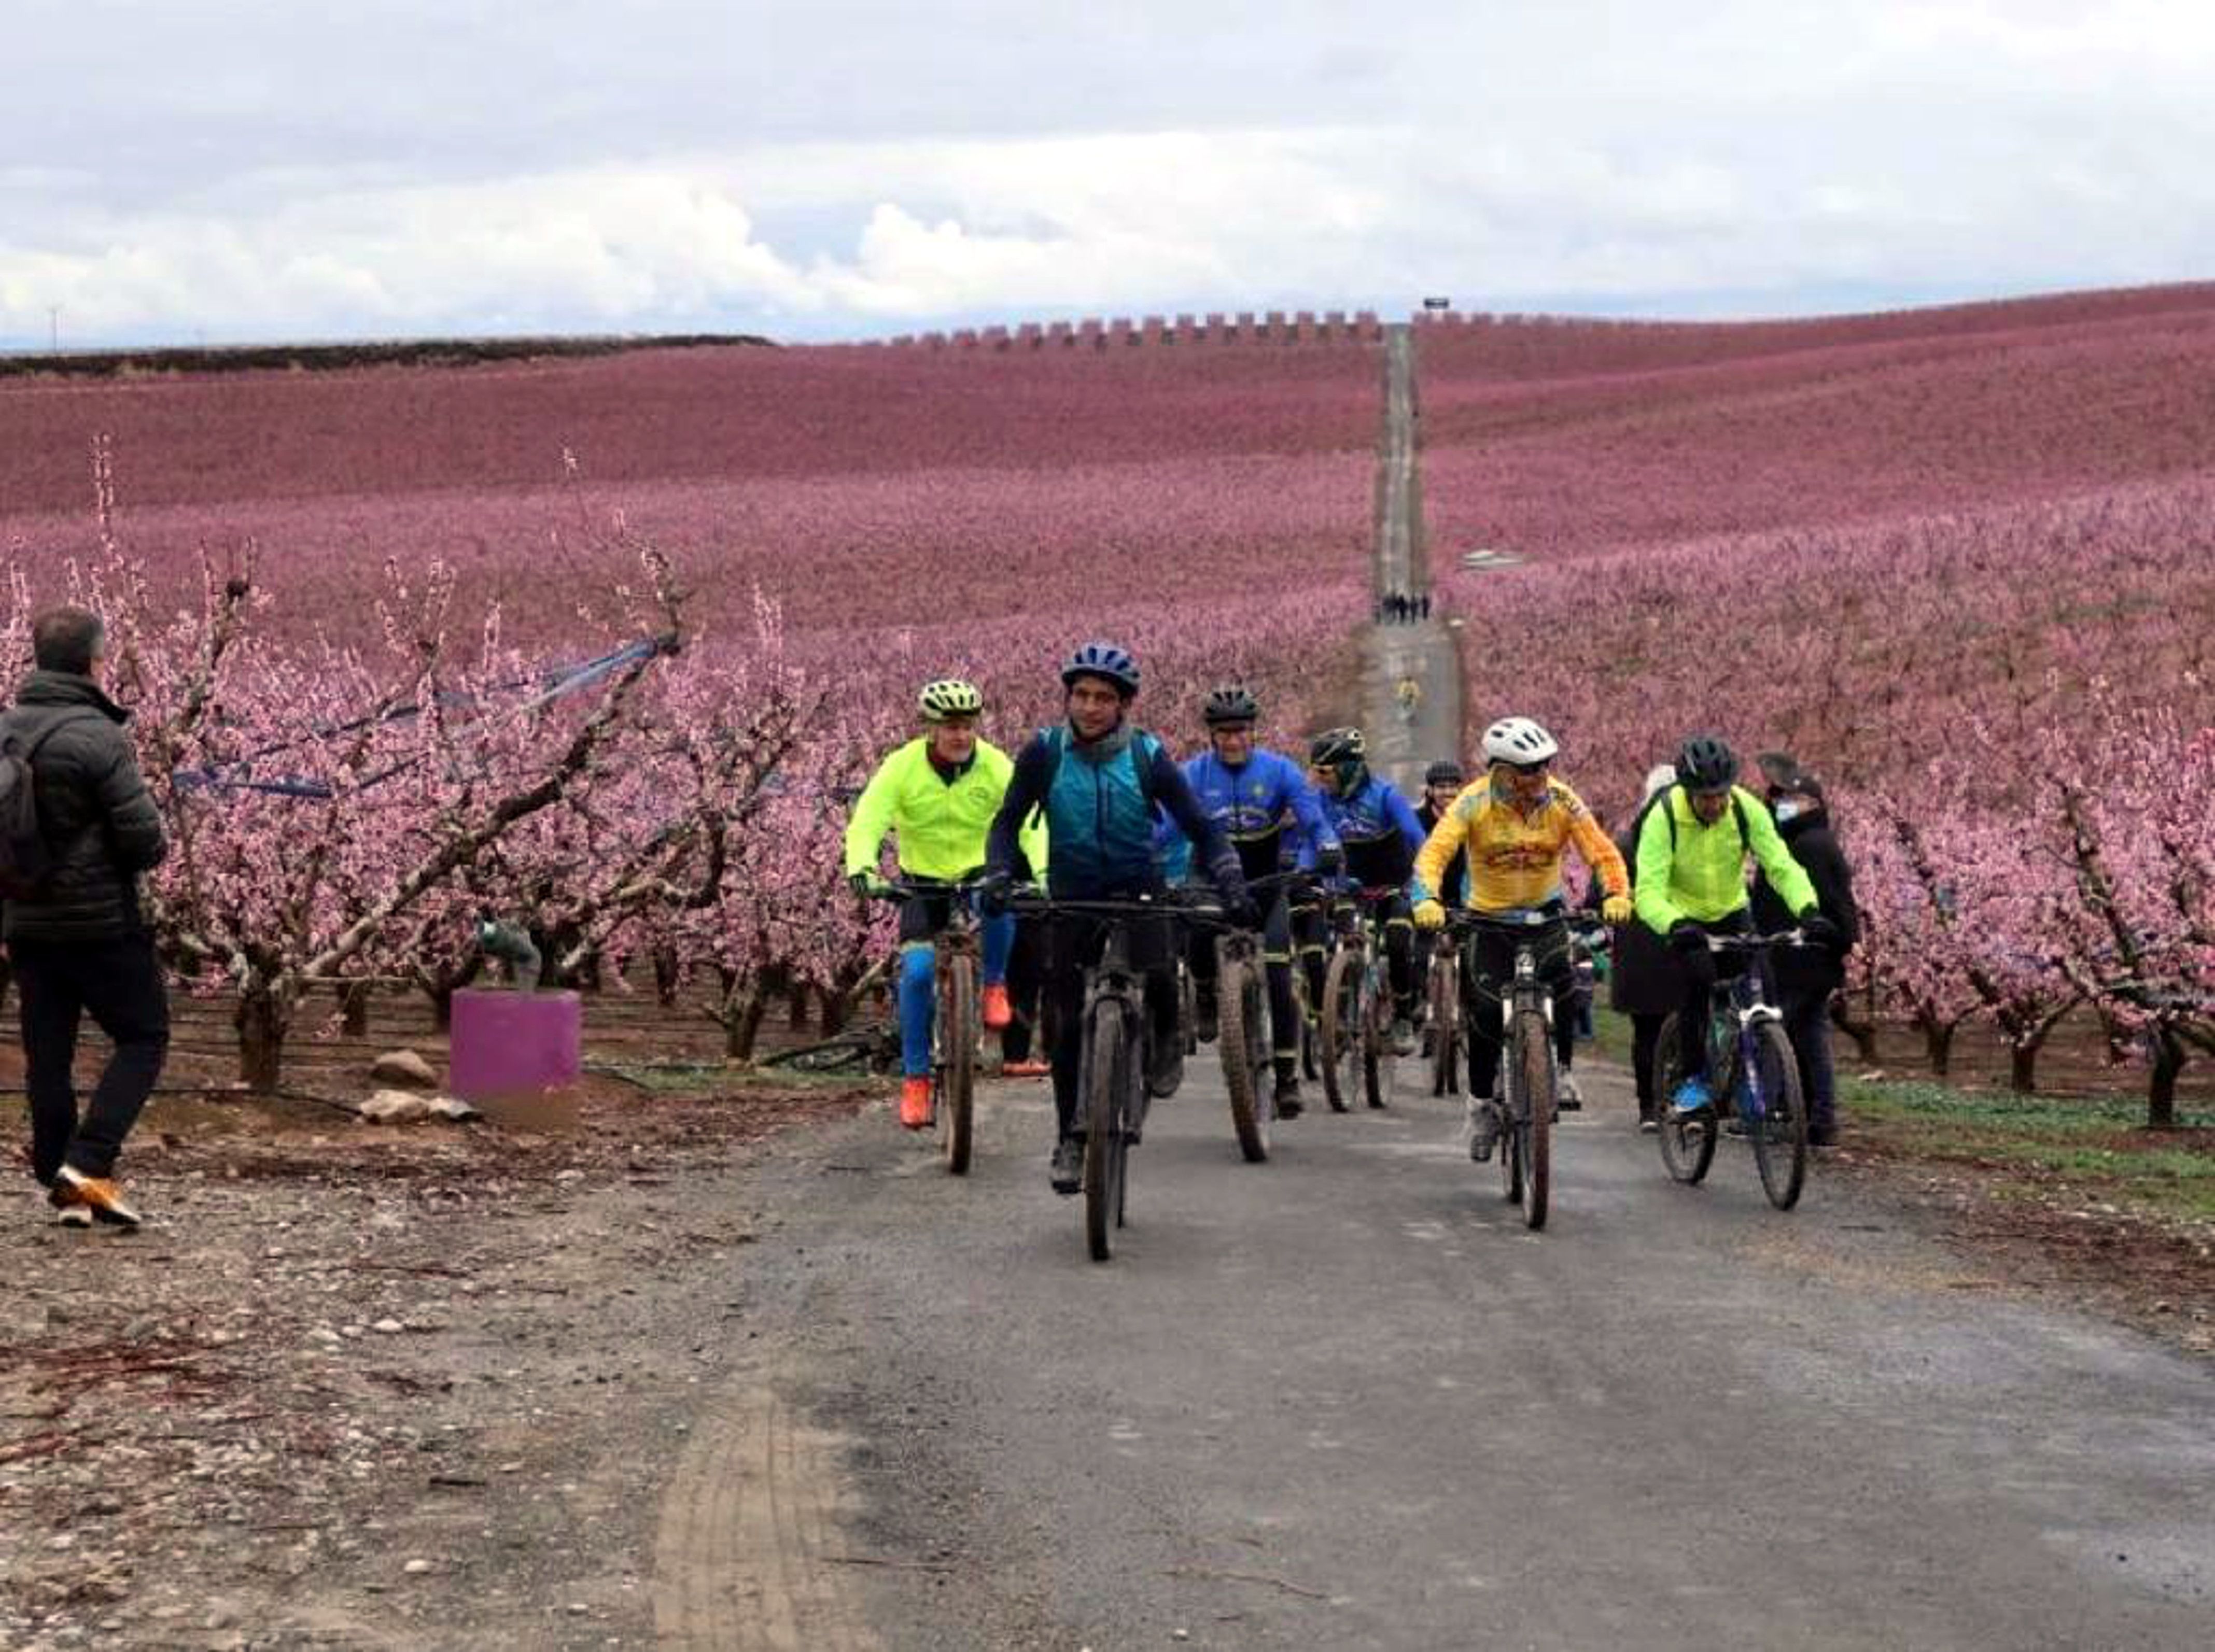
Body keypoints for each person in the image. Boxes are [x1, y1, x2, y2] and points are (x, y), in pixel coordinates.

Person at [984, 643, 1246, 1195]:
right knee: (1064, 1021)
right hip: (1072, 888)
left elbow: (1202, 826)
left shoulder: (1148, 755)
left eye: (1104, 697)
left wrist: (1229, 880)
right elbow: (1006, 824)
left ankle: (1167, 1034)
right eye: (1081, 695)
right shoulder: (1045, 752)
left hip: (1138, 883)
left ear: (1124, 704)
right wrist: (1001, 875)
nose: (1090, 706)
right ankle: (1070, 1141)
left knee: (1156, 966)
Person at [5, 606, 169, 1229]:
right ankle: (90, 1160)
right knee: (145, 1035)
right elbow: (144, 842)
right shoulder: (98, 736)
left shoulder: (5, 732)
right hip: (100, 924)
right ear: (94, 662)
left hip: (26, 922)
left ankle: (60, 1173)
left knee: (48, 1052)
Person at [1412, 717, 1628, 1160]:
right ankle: (1481, 1107)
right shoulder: (1472, 803)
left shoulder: (1563, 800)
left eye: (1545, 766)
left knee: (1565, 982)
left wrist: (1616, 892)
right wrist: (1427, 899)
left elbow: (1602, 851)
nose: (1541, 776)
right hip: (1489, 920)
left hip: (1544, 915)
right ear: (1503, 771)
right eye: (1531, 769)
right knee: (1487, 1012)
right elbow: (1433, 855)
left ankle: (1563, 1069)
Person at [843, 678, 1035, 1130]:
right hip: (922, 882)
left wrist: (1042, 872)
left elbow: (1030, 822)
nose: (960, 736)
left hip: (976, 872)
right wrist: (863, 867)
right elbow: (868, 819)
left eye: (967, 726)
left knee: (1001, 898)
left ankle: (993, 985)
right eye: (950, 726)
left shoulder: (995, 765)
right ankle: (915, 1080)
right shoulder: (902, 766)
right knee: (918, 972)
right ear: (930, 728)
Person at [1634, 735, 1838, 1117]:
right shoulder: (1663, 818)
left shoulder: (1746, 810)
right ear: (1688, 791)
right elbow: (1647, 891)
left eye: (1721, 795)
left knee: (1765, 987)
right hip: (1683, 916)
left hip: (1732, 910)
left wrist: (1809, 910)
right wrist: (1674, 923)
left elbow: (1780, 864)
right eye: (1705, 797)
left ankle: (1755, 1073)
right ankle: (1693, 1078)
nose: (1715, 804)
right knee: (1698, 982)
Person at [1174, 685, 1342, 1118]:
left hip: (1267, 881)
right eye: (1224, 732)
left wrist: (1326, 845)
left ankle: (1286, 1079)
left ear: (1254, 732)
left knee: (1279, 972)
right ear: (1211, 735)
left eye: (1241, 731)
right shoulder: (1193, 774)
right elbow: (1164, 824)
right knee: (1196, 920)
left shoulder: (1280, 772)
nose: (1233, 740)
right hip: (1209, 874)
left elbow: (1314, 819)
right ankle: (1208, 992)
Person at [1750, 753, 1860, 1147]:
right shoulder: (1806, 840)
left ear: (1811, 804)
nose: (1778, 805)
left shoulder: (1809, 845)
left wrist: (1835, 937)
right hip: (1809, 957)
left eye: (1786, 799)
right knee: (1810, 1036)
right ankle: (1820, 1118)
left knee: (1778, 1033)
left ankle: (1772, 1112)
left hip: (1802, 957)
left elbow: (1833, 904)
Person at [1304, 727, 1427, 1056]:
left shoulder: (1385, 796)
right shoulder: (1321, 801)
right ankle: (1337, 1019)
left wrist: (1424, 882)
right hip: (1351, 884)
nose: (1320, 779)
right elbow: (1310, 843)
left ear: (1347, 769)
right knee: (1340, 942)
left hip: (1393, 882)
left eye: (1325, 772)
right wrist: (1305, 875)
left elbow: (1418, 839)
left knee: (1399, 939)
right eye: (1317, 772)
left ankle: (1402, 1015)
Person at [1609, 764, 1685, 1131]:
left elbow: (1604, 893)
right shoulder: (1684, 837)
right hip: (1677, 940)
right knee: (1684, 1025)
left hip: (1638, 947)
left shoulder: (1626, 841)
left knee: (1647, 1033)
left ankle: (1649, 1107)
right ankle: (1678, 1097)